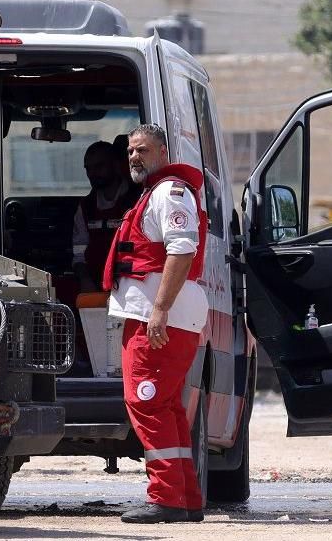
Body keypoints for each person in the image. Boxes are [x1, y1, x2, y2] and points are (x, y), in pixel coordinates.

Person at [102, 124, 209, 524]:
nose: (134, 157)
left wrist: (159, 310)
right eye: (131, 151)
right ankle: (185, 497)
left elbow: (182, 249)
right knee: (164, 405)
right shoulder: (155, 193)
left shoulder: (169, 192)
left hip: (162, 317)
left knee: (145, 401)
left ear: (164, 152)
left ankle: (165, 497)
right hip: (157, 315)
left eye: (143, 150)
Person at [71, 141, 140, 292]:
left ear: (115, 165)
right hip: (95, 286)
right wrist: (85, 280)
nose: (92, 173)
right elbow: (79, 253)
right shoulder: (85, 207)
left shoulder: (138, 202)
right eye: (88, 168)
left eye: (99, 166)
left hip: (132, 285)